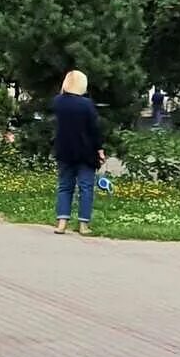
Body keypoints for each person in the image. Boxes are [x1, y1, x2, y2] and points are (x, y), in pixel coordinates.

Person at [51, 69, 104, 236]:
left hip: (64, 150)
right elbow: (94, 129)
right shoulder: (86, 104)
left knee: (65, 187)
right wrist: (100, 150)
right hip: (85, 152)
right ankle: (83, 225)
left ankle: (62, 223)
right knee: (86, 188)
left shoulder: (58, 102)